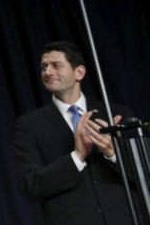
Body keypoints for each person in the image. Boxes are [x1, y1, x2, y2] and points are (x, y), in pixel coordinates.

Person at [13, 40, 141, 225]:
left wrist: (113, 153)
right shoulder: (29, 125)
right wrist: (77, 156)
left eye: (56, 65)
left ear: (79, 72)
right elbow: (29, 184)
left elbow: (145, 172)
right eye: (43, 67)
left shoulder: (117, 113)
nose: (47, 72)